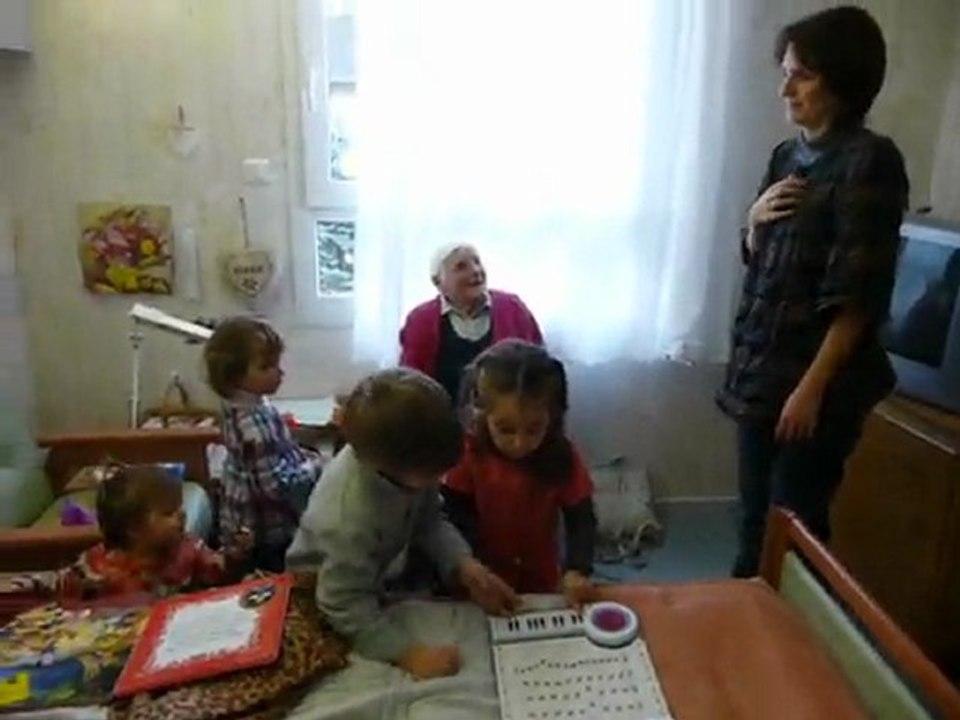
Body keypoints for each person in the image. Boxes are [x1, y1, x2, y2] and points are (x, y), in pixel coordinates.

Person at [716, 6, 910, 578]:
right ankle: (749, 629)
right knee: (753, 518)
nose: (786, 86)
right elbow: (763, 263)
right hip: (763, 368)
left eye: (802, 73)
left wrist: (810, 390)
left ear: (841, 79)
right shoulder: (786, 155)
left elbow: (858, 295)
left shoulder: (868, 160)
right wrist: (752, 225)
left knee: (794, 526)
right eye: (786, 70)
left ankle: (787, 648)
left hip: (815, 382)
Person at [286, 368, 517, 680]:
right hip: (321, 594)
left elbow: (429, 519)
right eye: (430, 475)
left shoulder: (410, 465)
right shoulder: (348, 518)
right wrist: (406, 653)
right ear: (386, 468)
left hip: (375, 572)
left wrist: (463, 563)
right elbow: (341, 603)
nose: (437, 480)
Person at [442, 340, 596, 606]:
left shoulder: (562, 455)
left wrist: (577, 570)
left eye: (534, 429)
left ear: (553, 416)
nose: (519, 443)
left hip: (542, 577)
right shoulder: (469, 452)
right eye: (505, 429)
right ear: (481, 414)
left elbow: (581, 519)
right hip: (482, 576)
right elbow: (456, 516)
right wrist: (475, 568)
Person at [204, 316, 322, 572]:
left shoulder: (244, 404)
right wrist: (314, 467)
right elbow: (274, 488)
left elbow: (274, 453)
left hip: (249, 511)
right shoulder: (252, 426)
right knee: (272, 574)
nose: (280, 372)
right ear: (234, 375)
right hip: (264, 528)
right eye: (267, 366)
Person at [59, 464, 250, 600]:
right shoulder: (98, 566)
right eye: (169, 513)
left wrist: (235, 557)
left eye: (179, 508)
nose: (182, 515)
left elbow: (219, 573)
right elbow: (60, 589)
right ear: (134, 528)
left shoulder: (188, 548)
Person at [399, 243, 543, 402]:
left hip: (506, 419)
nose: (475, 271)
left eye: (477, 262)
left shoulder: (513, 308)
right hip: (440, 419)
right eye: (461, 267)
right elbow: (410, 382)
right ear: (438, 282)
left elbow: (539, 365)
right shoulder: (420, 319)